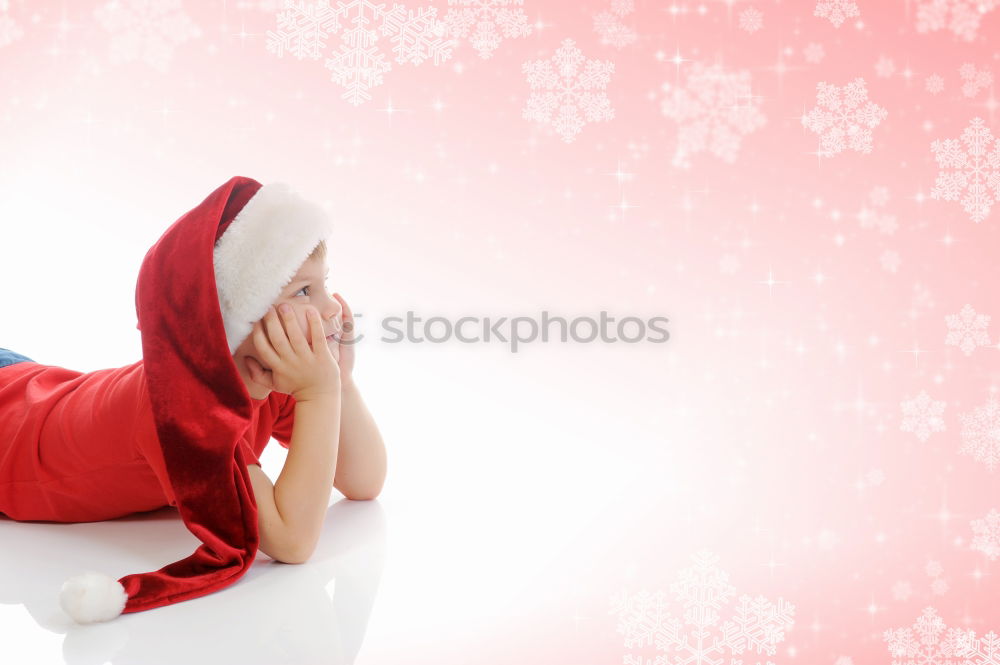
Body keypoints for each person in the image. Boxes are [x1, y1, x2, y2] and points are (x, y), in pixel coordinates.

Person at [0, 176, 387, 623]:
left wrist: (340, 382)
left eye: (324, 285)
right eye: (303, 291)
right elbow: (292, 541)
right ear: (236, 315)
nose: (332, 308)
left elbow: (364, 482)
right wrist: (320, 392)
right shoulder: (184, 409)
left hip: (29, 385)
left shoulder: (275, 379)